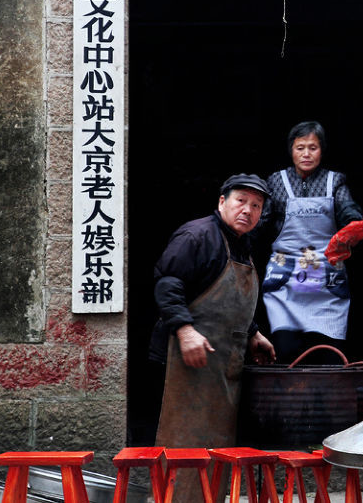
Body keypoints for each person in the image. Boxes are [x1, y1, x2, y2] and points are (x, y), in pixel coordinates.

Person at [149, 173, 276, 498]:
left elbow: (232, 301)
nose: (247, 210)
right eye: (240, 201)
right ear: (222, 202)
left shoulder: (244, 246)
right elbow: (168, 285)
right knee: (184, 449)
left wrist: (253, 333)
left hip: (222, 371)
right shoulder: (197, 235)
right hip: (184, 365)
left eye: (256, 205)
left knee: (216, 453)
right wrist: (185, 330)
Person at [254, 121, 363, 365]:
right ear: (291, 150)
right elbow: (262, 221)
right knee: (286, 350)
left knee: (328, 353)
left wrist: (354, 224)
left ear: (322, 150)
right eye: (300, 148)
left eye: (313, 147)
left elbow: (346, 207)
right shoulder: (276, 181)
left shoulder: (334, 181)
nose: (306, 154)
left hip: (326, 276)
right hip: (285, 275)